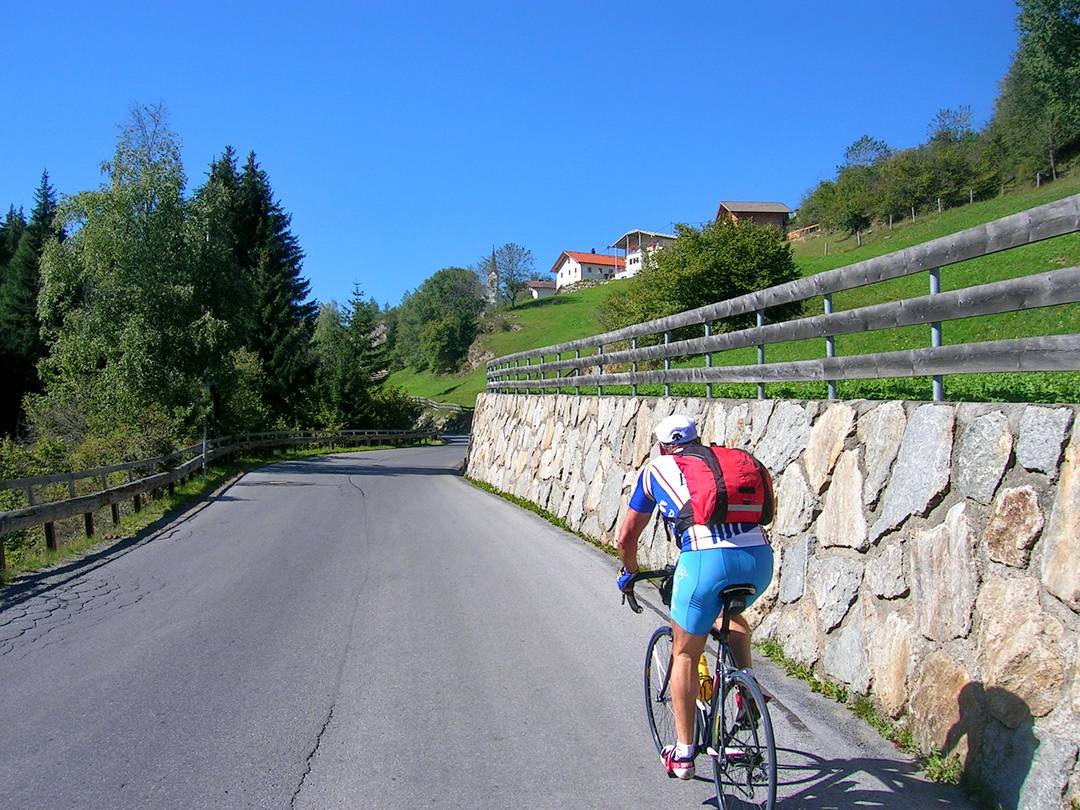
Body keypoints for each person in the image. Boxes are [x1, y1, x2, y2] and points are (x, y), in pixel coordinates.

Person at [615, 414, 774, 781]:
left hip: (704, 562)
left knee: (685, 651)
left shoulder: (657, 470)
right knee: (730, 613)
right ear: (697, 439)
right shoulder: (723, 462)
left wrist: (629, 572)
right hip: (759, 561)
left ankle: (684, 753)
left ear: (662, 447)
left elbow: (627, 537)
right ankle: (745, 689)